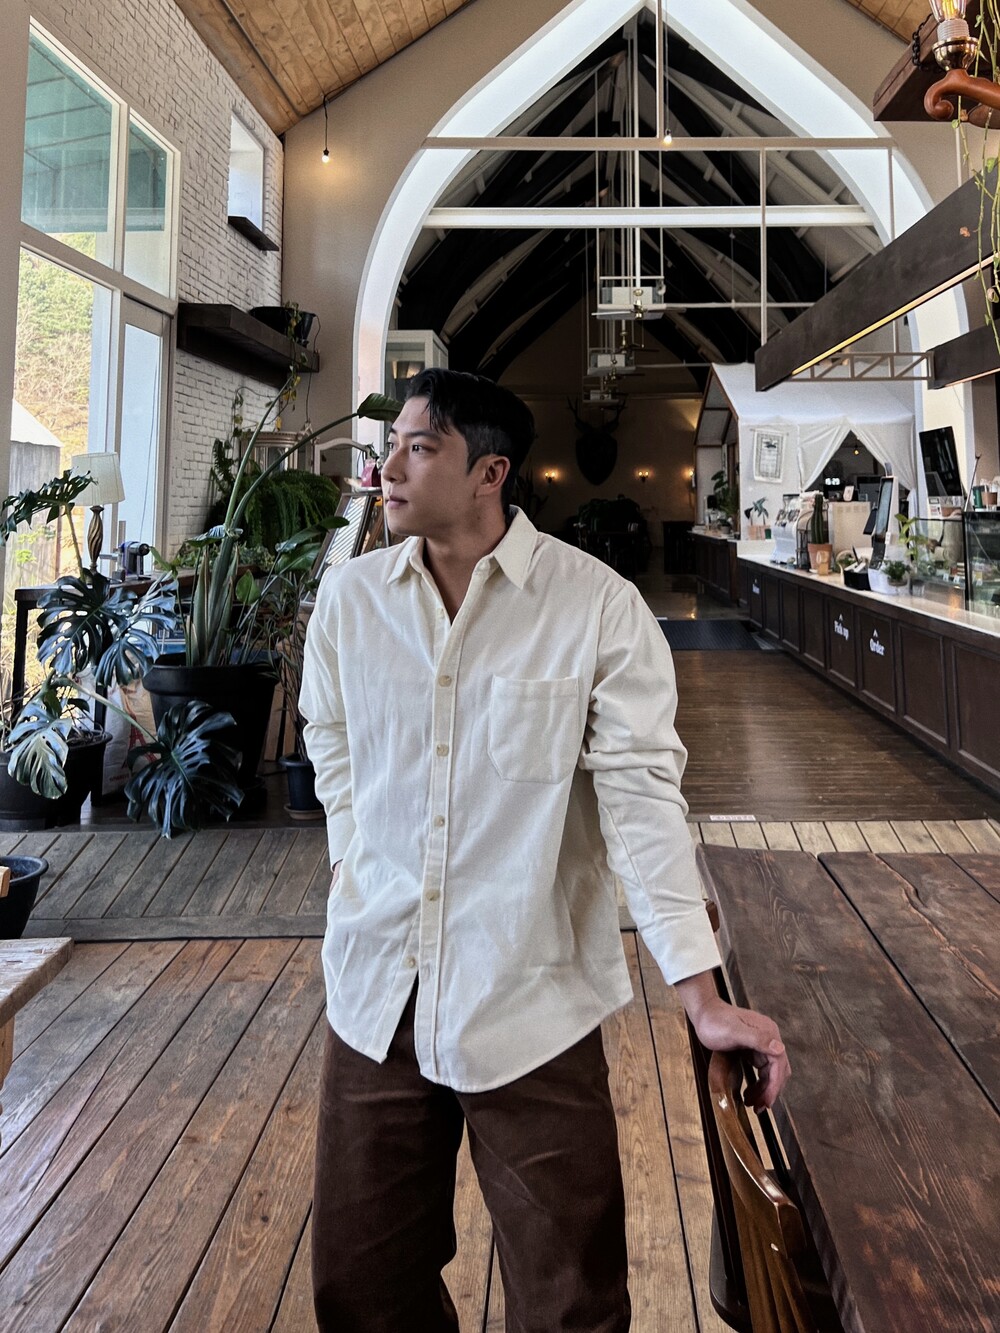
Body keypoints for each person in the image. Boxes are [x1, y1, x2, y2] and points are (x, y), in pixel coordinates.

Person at [300, 368, 790, 1333]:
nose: (388, 467)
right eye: (391, 446)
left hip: (531, 997)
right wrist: (351, 851)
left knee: (571, 1301)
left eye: (418, 448)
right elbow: (332, 733)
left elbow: (642, 800)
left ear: (490, 473)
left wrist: (699, 993)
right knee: (362, 1289)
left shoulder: (594, 608)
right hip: (375, 991)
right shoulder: (350, 601)